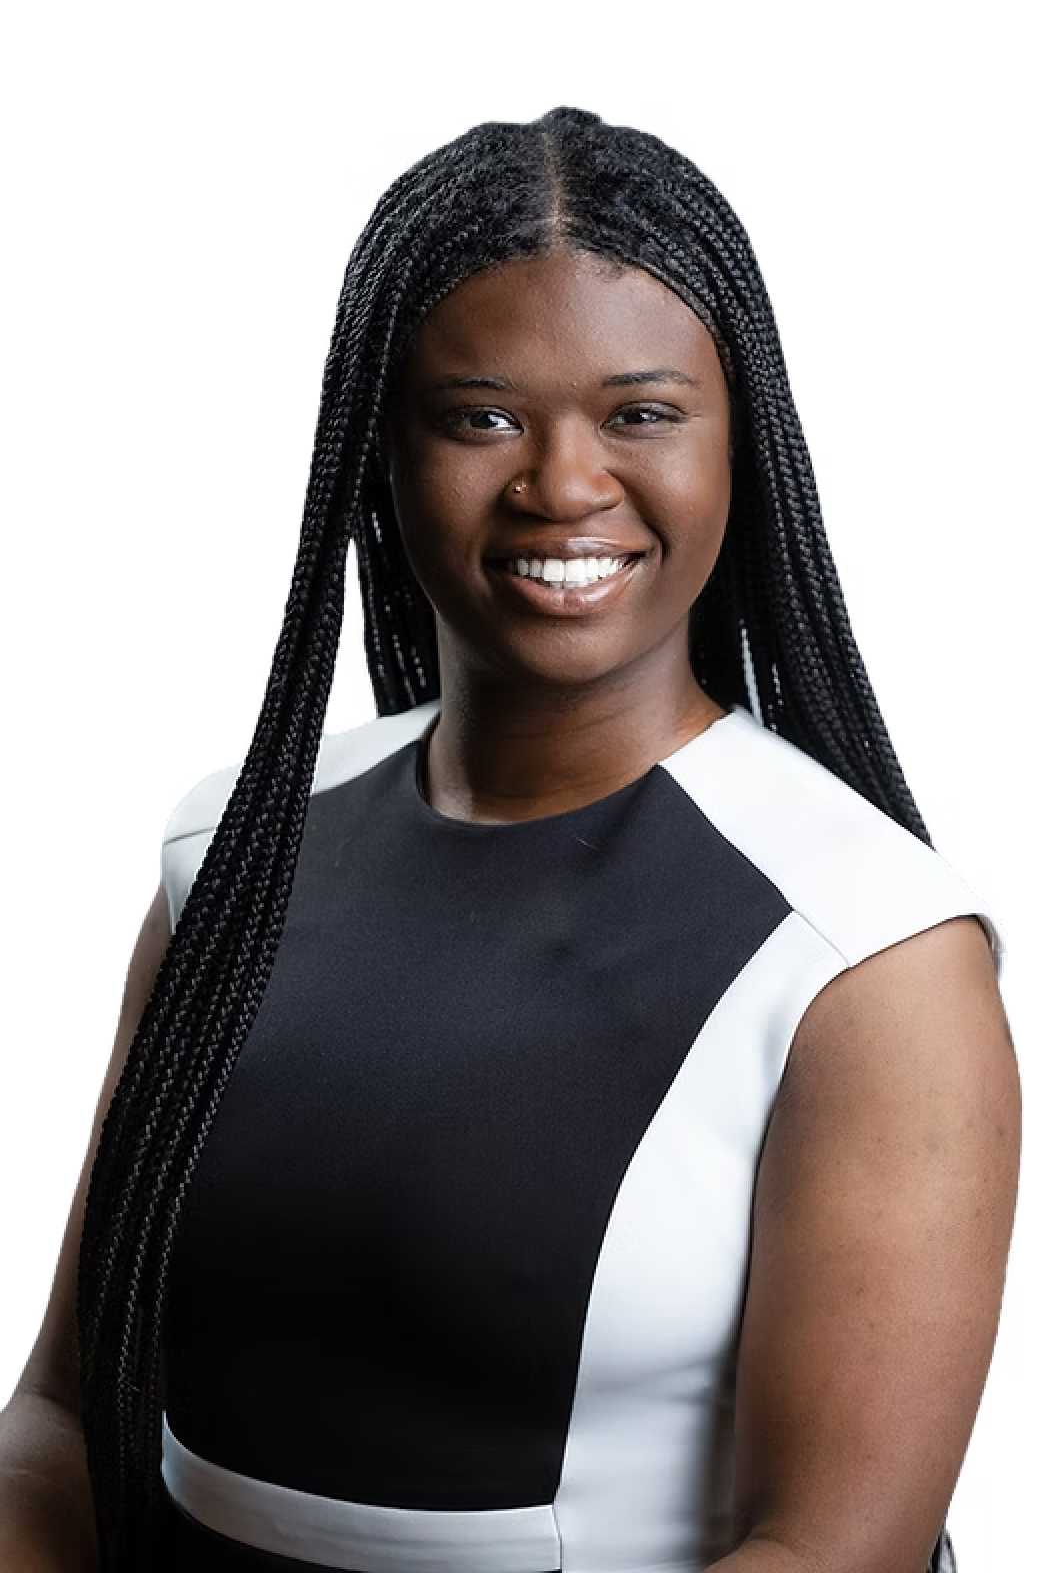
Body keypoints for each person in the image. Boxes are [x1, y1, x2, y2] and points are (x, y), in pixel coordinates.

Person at [0, 104, 1022, 1573]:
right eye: (480, 415)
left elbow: (831, 1552)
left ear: (746, 446)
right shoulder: (226, 852)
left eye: (642, 412)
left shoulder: (866, 956)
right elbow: (55, 1420)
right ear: (379, 449)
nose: (561, 484)